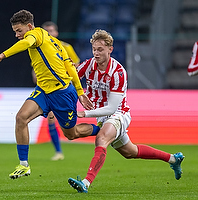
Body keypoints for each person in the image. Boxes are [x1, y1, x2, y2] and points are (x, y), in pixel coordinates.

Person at [0, 10, 101, 179]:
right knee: (21, 118)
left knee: (71, 134)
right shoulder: (54, 42)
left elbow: (70, 67)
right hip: (43, 90)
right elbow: (69, 66)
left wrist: (2, 55)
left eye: (19, 31)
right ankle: (24, 165)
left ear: (30, 26)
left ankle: (103, 130)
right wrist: (80, 91)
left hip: (62, 93)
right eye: (15, 32)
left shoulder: (35, 34)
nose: (17, 35)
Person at [68, 29, 185, 193]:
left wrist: (83, 114)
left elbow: (111, 108)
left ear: (110, 49)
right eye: (94, 49)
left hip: (119, 114)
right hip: (101, 117)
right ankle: (173, 159)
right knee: (131, 152)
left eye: (100, 49)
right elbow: (70, 80)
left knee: (101, 138)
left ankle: (86, 183)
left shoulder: (118, 72)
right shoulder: (88, 65)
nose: (96, 53)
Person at [31, 21, 81, 161]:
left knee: (69, 127)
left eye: (51, 31)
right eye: (46, 31)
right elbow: (35, 69)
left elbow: (75, 66)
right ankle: (58, 151)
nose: (49, 33)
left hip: (65, 90)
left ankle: (96, 132)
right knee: (51, 120)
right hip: (49, 90)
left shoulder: (66, 47)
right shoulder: (39, 48)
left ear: (56, 33)